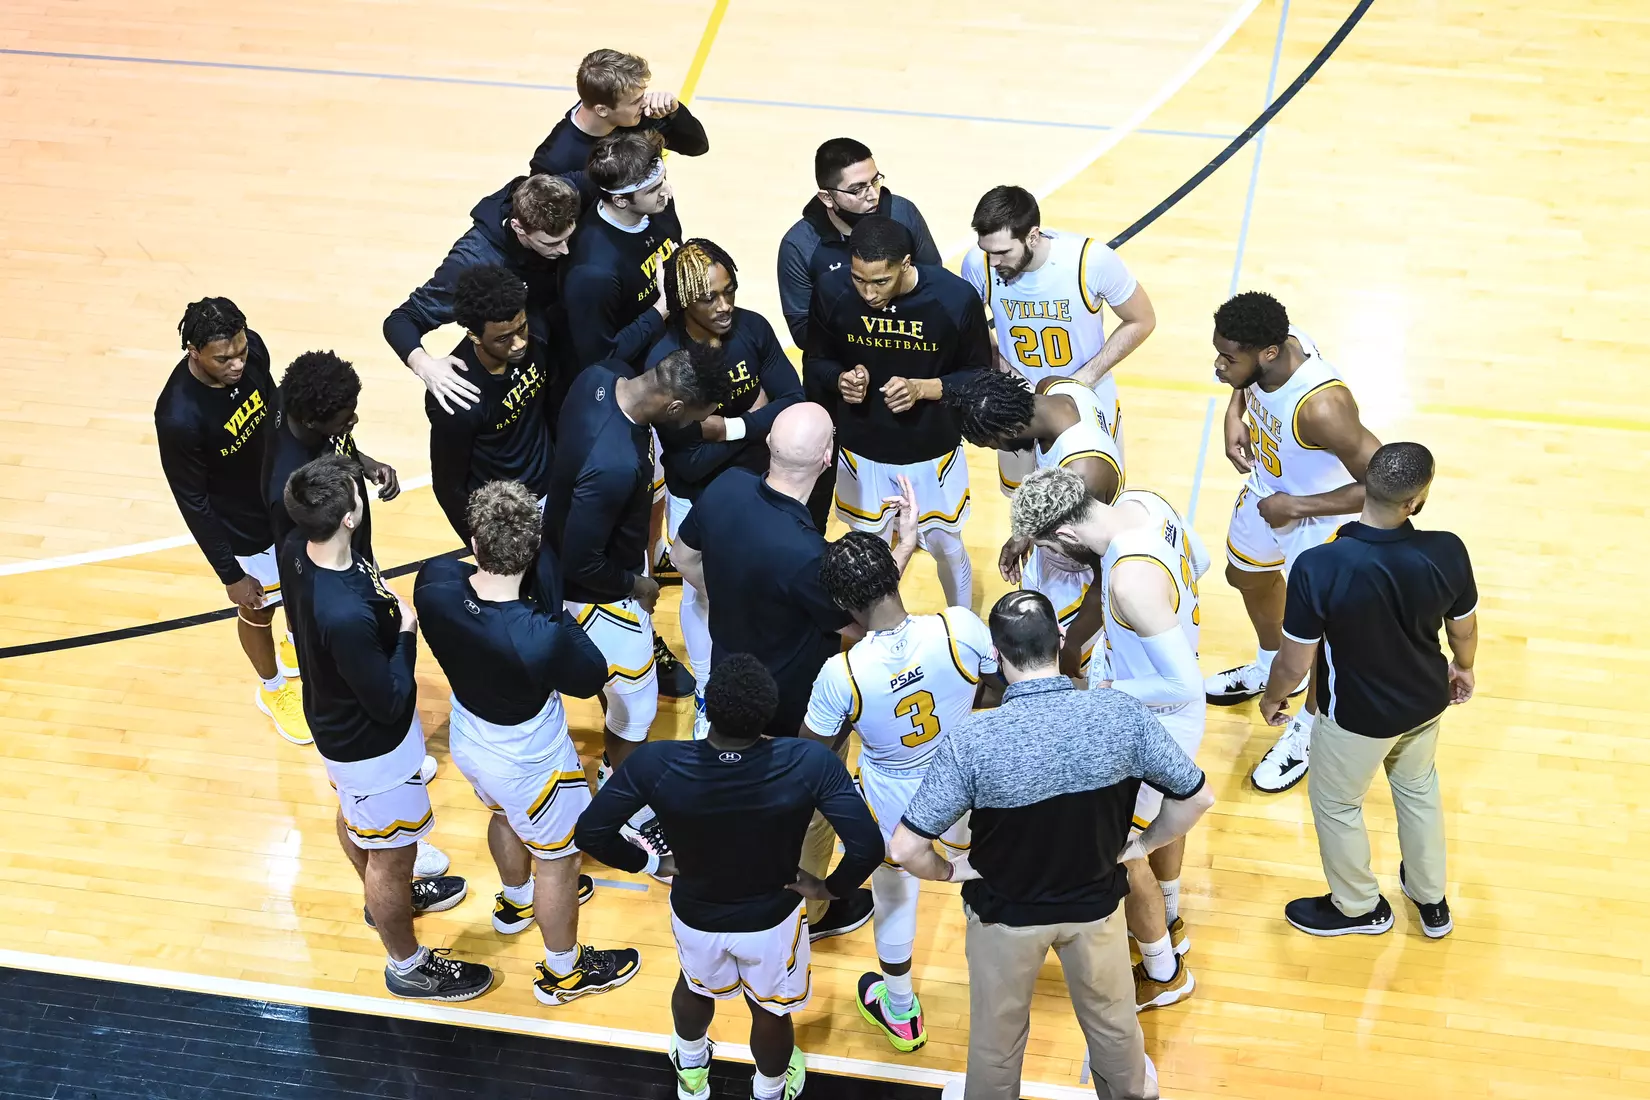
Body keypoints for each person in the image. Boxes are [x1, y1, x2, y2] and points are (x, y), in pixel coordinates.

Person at [890, 591, 1214, 1100]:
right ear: (1061, 641)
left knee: (997, 1050)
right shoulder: (1119, 713)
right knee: (1115, 1033)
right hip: (1096, 909)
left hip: (1004, 917)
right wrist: (1142, 844)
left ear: (996, 656)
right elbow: (1197, 798)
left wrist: (951, 872)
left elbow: (906, 848)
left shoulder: (973, 739)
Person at [574, 655, 883, 1100]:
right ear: (769, 711)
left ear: (709, 708)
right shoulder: (810, 761)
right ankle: (769, 1092)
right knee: (771, 1013)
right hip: (772, 920)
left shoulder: (657, 762)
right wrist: (827, 888)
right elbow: (867, 846)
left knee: (695, 987)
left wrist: (651, 864)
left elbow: (592, 832)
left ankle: (693, 1073)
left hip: (697, 914)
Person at [671, 403, 902, 940]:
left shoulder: (725, 486)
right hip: (795, 707)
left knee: (735, 794)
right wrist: (901, 547)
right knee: (810, 811)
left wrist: (731, 595)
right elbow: (866, 625)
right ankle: (813, 913)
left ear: (769, 440)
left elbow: (682, 558)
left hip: (730, 687)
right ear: (828, 459)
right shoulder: (808, 555)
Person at [414, 480, 641, 1004]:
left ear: (474, 540)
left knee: (502, 815)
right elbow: (591, 676)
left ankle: (518, 902)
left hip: (469, 732)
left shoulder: (434, 581)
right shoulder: (541, 634)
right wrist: (556, 611)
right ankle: (565, 972)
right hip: (530, 754)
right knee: (560, 860)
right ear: (534, 547)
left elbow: (468, 569)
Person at [276, 455, 492, 1002]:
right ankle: (407, 964)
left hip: (336, 724)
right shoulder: (345, 615)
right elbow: (391, 701)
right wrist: (405, 633)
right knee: (392, 856)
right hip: (371, 743)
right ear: (349, 516)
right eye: (358, 494)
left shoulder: (295, 550)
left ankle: (388, 901)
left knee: (360, 822)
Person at [1010, 467, 1209, 1012]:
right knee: (1159, 825)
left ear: (1068, 535)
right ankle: (1168, 915)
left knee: (1122, 852)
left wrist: (1106, 688)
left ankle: (1164, 972)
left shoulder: (1126, 579)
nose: (1053, 557)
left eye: (1049, 546)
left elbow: (1183, 687)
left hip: (1159, 717)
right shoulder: (1149, 504)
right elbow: (1202, 564)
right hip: (1161, 692)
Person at [1257, 443, 1476, 939]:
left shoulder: (1320, 565)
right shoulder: (1448, 550)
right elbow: (1462, 629)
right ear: (1416, 502)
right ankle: (1431, 900)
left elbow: (1295, 661)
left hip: (1355, 716)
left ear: (1365, 488)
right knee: (1419, 790)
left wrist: (1274, 698)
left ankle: (1358, 908)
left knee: (1336, 804)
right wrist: (1463, 668)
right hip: (1425, 702)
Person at [804, 531, 1000, 1053]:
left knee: (894, 899)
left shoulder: (840, 674)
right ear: (897, 575)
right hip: (967, 791)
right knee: (983, 887)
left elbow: (813, 755)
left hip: (894, 803)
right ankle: (997, 997)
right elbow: (999, 690)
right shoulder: (960, 628)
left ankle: (899, 1010)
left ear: (843, 604)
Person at [263, 351, 447, 877]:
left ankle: (385, 784)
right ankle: (389, 858)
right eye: (345, 420)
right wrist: (404, 633)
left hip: (347, 567)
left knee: (360, 678)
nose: (352, 422)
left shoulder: (302, 412)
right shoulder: (289, 490)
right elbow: (384, 698)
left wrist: (361, 465)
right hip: (356, 731)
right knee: (361, 689)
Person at [542, 345, 729, 861]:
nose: (697, 424)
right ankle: (625, 804)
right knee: (637, 710)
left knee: (625, 696)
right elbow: (583, 562)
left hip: (594, 557)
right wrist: (638, 585)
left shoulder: (596, 378)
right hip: (597, 593)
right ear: (673, 407)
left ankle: (614, 770)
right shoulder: (616, 466)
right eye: (695, 415)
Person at [1203, 291, 1382, 794]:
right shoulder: (1276, 344)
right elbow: (1247, 383)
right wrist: (1235, 411)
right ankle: (1272, 666)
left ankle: (1306, 730)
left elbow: (1388, 485)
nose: (1219, 365)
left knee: (1321, 641)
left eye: (1228, 359)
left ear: (1269, 354)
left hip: (1315, 518)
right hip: (1269, 493)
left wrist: (1298, 508)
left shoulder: (1324, 406)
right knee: (1246, 575)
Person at [646, 239, 804, 714]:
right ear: (681, 302)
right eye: (709, 298)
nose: (724, 305)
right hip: (699, 499)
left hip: (759, 489)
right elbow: (686, 462)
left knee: (763, 594)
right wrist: (759, 423)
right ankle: (707, 693)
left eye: (729, 290)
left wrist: (728, 428)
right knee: (706, 598)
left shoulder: (752, 328)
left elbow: (794, 402)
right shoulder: (666, 356)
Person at [804, 216, 990, 606]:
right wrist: (839, 379)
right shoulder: (831, 291)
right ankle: (875, 633)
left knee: (946, 546)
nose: (868, 293)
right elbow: (816, 361)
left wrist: (924, 388)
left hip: (932, 449)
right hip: (861, 449)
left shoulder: (955, 299)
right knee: (868, 555)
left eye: (879, 282)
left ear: (906, 264)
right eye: (859, 279)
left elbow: (979, 377)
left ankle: (964, 624)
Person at [155, 297, 306, 745]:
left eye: (240, 350)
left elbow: (277, 407)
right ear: (193, 352)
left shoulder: (251, 350)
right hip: (243, 529)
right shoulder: (179, 416)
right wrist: (230, 574)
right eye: (224, 358)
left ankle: (297, 650)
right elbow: (192, 501)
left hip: (284, 503)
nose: (238, 363)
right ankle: (273, 689)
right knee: (258, 610)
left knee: (301, 588)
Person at [961, 185, 1155, 493]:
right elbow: (968, 323)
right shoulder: (978, 263)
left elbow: (1142, 319)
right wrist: (1000, 364)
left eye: (1002, 252)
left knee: (1090, 503)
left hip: (1087, 399)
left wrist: (1082, 379)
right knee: (1024, 505)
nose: (994, 262)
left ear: (1033, 236)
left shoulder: (1091, 261)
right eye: (988, 251)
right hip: (1017, 401)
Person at [947, 368, 1122, 680]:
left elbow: (1104, 570)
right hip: (1052, 557)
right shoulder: (1052, 389)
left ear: (1012, 431)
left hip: (1079, 589)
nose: (996, 450)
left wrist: (1074, 645)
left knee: (1061, 680)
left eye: (992, 443)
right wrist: (1026, 532)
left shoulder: (1084, 476)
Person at [383, 174, 581, 415]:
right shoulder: (471, 264)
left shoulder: (560, 195)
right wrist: (423, 365)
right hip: (527, 358)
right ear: (518, 227)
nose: (565, 249)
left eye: (568, 238)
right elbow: (403, 318)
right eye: (551, 244)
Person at [424, 266, 554, 543]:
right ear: (474, 336)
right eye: (503, 339)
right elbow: (449, 487)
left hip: (553, 486)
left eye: (521, 328)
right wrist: (481, 546)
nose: (519, 343)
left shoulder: (538, 335)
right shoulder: (458, 398)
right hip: (508, 516)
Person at [777, 137, 941, 347]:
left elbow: (935, 285)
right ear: (827, 198)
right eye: (857, 190)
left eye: (875, 181)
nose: (873, 195)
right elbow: (803, 330)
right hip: (846, 365)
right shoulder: (799, 246)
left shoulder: (904, 214)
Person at [563, 130, 684, 369]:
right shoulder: (593, 272)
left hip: (671, 332)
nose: (667, 191)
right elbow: (600, 357)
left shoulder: (657, 205)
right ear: (620, 200)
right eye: (653, 189)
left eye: (664, 179)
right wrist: (663, 308)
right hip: (637, 369)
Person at [528, 48, 708, 177]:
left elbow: (697, 147)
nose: (645, 103)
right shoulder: (555, 161)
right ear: (602, 110)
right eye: (636, 101)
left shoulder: (639, 114)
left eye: (643, 95)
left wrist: (674, 111)